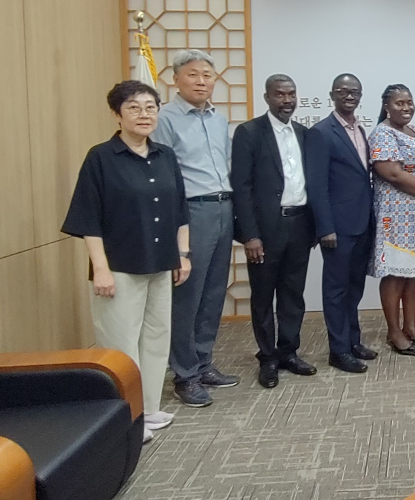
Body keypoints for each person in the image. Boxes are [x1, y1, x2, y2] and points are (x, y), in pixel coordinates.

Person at [62, 80, 191, 442]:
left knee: (155, 339)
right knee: (120, 344)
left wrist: (183, 254)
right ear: (117, 115)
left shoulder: (165, 155)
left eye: (151, 107)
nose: (144, 114)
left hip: (161, 262)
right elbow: (88, 218)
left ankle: (149, 408)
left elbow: (180, 210)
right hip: (118, 266)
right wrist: (100, 268)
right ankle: (127, 416)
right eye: (134, 107)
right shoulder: (100, 157)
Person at [153, 50, 239, 407]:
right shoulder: (164, 118)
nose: (202, 81)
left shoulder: (219, 119)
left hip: (223, 206)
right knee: (187, 296)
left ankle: (204, 362)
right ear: (175, 79)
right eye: (193, 75)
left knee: (214, 290)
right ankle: (184, 374)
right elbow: (161, 175)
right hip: (192, 211)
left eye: (207, 75)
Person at [231, 74, 318, 389]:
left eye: (292, 94)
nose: (287, 100)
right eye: (280, 95)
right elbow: (240, 188)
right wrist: (249, 235)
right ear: (267, 97)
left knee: (293, 295)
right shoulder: (249, 133)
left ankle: (289, 352)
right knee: (263, 295)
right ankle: (267, 357)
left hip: (300, 225)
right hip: (265, 231)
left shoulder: (305, 134)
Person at [306, 73, 378, 373]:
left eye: (355, 91)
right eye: (343, 91)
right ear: (332, 95)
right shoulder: (322, 132)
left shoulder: (362, 129)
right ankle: (338, 350)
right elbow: (317, 184)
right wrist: (325, 227)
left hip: (363, 222)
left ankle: (352, 341)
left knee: (354, 286)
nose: (350, 96)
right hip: (337, 227)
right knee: (335, 290)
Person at [368, 84, 415, 355]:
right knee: (396, 272)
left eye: (409, 102)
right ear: (386, 107)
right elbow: (392, 173)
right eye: (399, 103)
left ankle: (411, 327)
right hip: (396, 214)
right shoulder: (382, 133)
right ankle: (394, 331)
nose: (406, 107)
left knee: (414, 271)